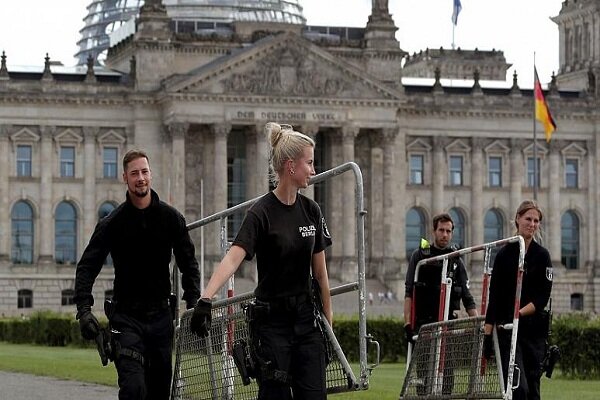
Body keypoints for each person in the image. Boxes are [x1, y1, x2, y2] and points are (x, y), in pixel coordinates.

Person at [189, 122, 333, 400]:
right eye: (310, 163)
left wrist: (328, 323)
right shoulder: (261, 213)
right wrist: (206, 298)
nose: (314, 171)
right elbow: (233, 258)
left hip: (305, 322)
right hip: (272, 325)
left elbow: (321, 275)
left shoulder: (311, 210)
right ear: (291, 166)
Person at [74, 149, 201, 400]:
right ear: (125, 178)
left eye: (144, 172)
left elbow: (189, 263)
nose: (140, 178)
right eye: (134, 173)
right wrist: (84, 309)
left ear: (150, 175)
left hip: (161, 319)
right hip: (126, 319)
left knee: (158, 393)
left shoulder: (171, 218)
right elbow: (87, 266)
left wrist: (194, 303)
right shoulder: (112, 223)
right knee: (134, 390)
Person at [484, 200, 553, 400]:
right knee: (517, 387)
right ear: (517, 219)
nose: (532, 224)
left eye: (536, 220)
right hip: (507, 330)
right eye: (528, 219)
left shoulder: (543, 256)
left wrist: (519, 313)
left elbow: (542, 297)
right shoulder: (504, 254)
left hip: (533, 332)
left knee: (532, 389)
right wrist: (487, 336)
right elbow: (494, 297)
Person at [403, 212, 478, 395]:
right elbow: (409, 292)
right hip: (424, 323)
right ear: (434, 231)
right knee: (423, 376)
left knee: (448, 376)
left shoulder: (456, 259)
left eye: (449, 231)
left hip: (448, 324)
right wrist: (407, 323)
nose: (445, 234)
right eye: (441, 230)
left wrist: (477, 322)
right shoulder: (420, 255)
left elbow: (467, 296)